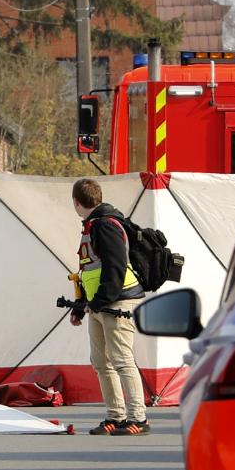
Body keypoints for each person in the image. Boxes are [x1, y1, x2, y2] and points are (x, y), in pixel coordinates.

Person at [70, 178, 149, 436]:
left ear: (76, 202)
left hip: (117, 302)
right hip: (100, 304)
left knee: (122, 360)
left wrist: (98, 302)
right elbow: (90, 271)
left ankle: (138, 417)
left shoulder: (104, 225)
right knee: (101, 362)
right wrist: (82, 306)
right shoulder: (93, 225)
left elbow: (114, 268)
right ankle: (115, 415)